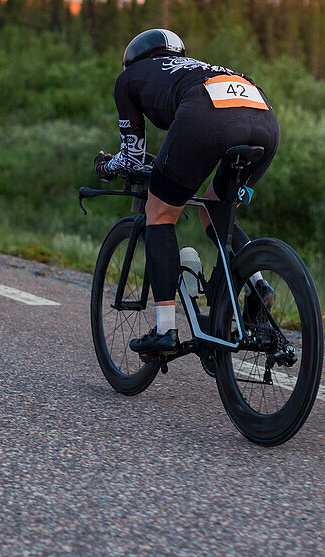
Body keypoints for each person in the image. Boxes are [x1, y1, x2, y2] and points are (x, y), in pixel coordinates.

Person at [93, 28, 280, 355]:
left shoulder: (130, 77)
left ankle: (166, 329)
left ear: (133, 60)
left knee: (160, 212)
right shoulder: (197, 67)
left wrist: (107, 166)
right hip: (264, 118)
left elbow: (133, 157)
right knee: (213, 209)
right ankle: (258, 285)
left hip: (206, 117)